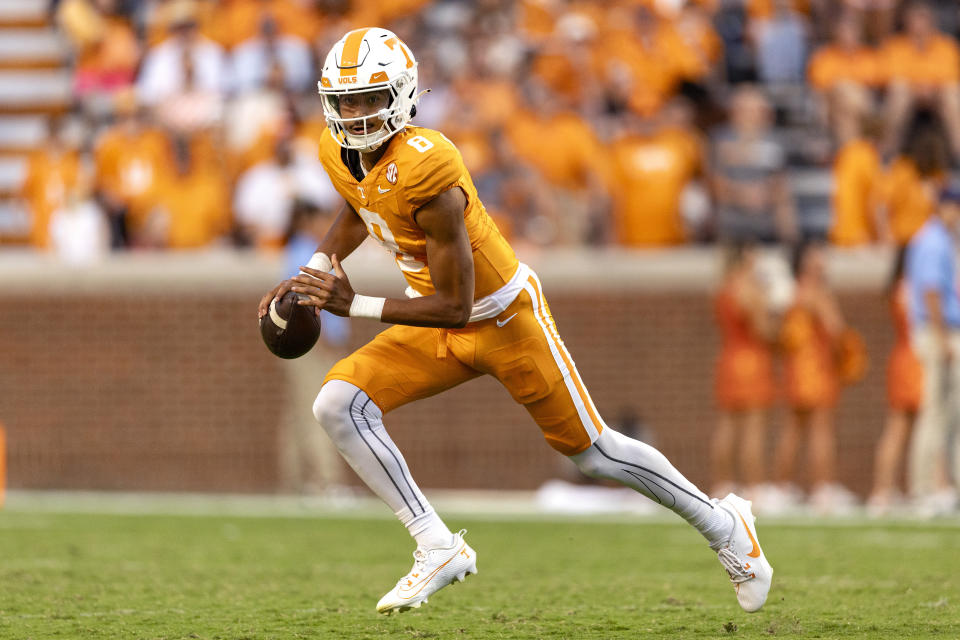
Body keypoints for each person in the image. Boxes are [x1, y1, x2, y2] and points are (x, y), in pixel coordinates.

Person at [257, 27, 772, 615]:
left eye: (370, 99)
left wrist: (354, 304)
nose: (357, 113)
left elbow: (456, 305)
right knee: (335, 404)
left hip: (501, 319)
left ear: (400, 96)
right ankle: (435, 546)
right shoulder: (336, 150)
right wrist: (314, 270)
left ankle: (724, 526)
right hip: (436, 325)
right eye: (346, 101)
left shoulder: (432, 169)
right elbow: (361, 204)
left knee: (594, 452)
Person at [774, 241, 854, 514]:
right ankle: (823, 488)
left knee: (794, 429)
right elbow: (835, 329)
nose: (822, 257)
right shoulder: (816, 291)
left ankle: (782, 488)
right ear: (806, 260)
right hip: (816, 369)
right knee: (822, 428)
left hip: (797, 368)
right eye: (817, 253)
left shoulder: (796, 290)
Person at [905, 187, 960, 516]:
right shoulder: (934, 239)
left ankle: (948, 484)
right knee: (935, 411)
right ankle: (923, 487)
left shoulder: (940, 239)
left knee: (950, 413)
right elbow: (930, 291)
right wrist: (941, 338)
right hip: (936, 331)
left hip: (941, 331)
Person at [711, 245, 776, 498]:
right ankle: (754, 487)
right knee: (753, 428)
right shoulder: (749, 289)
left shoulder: (723, 287)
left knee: (727, 425)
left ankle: (722, 484)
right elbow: (763, 330)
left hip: (728, 357)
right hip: (752, 361)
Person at [867, 247, 924, 515]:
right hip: (917, 358)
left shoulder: (897, 287)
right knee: (915, 426)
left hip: (901, 357)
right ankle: (912, 488)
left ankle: (884, 489)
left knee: (898, 426)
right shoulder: (914, 287)